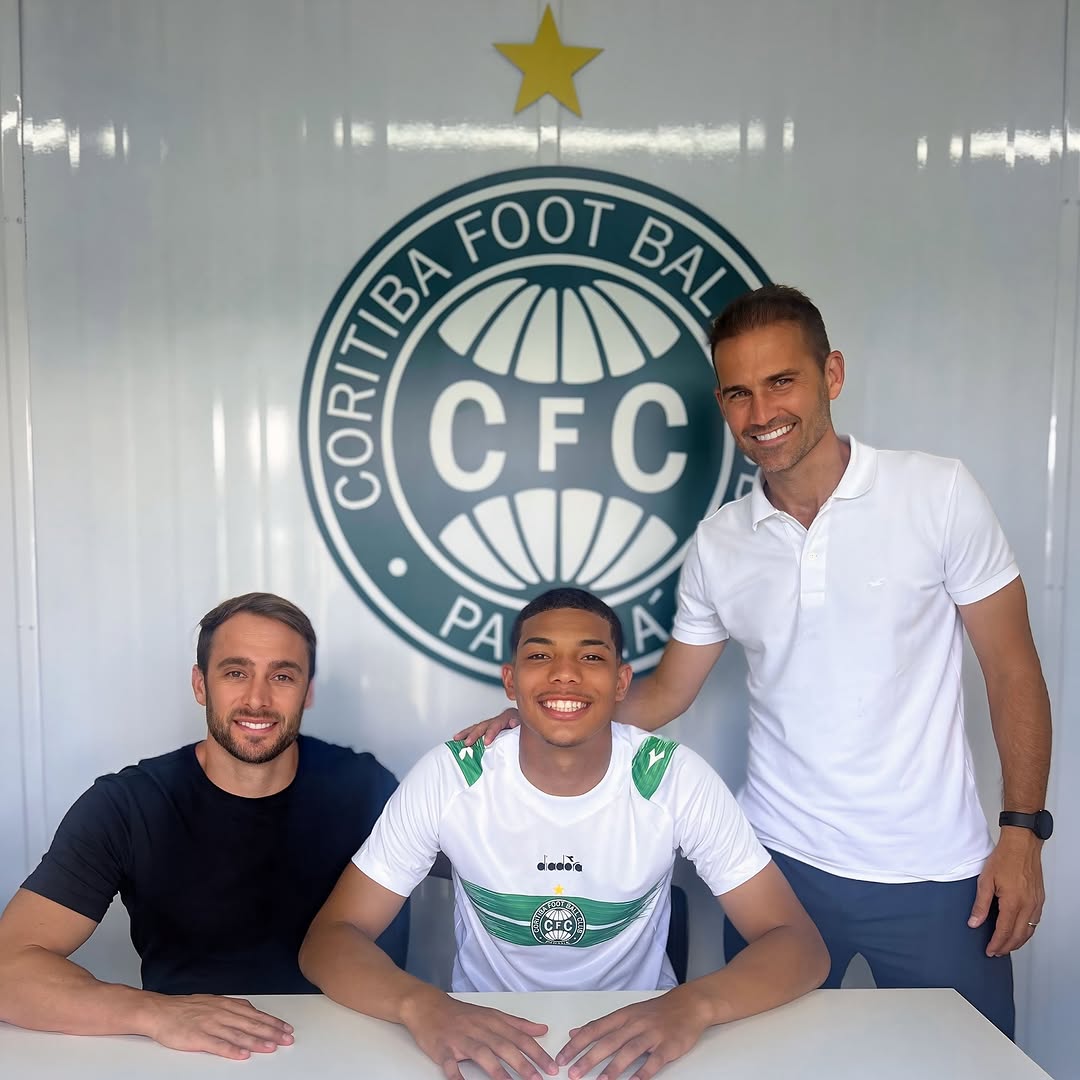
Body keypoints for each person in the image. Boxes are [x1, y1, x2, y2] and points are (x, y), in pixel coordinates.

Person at [459, 285, 1052, 1039]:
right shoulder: (720, 541)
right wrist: (542, 718)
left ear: (831, 375)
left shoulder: (937, 492)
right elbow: (671, 689)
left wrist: (1023, 834)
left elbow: (1013, 670)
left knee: (969, 1065)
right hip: (779, 870)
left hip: (939, 874)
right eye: (738, 393)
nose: (761, 412)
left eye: (782, 382)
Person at [300, 588, 828, 1080]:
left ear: (621, 682)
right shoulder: (452, 773)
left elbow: (798, 945)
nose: (565, 675)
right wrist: (424, 1006)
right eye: (540, 656)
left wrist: (693, 1004)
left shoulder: (672, 777)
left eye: (592, 657)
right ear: (511, 681)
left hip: (643, 1046)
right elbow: (330, 939)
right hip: (483, 1046)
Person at [0, 592, 407, 1059]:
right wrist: (155, 1013)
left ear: (308, 690)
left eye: (282, 676)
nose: (257, 698)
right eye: (235, 672)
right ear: (200, 685)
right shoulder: (128, 804)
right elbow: (7, 970)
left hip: (358, 1052)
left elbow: (485, 826)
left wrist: (512, 731)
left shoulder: (368, 789)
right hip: (189, 1058)